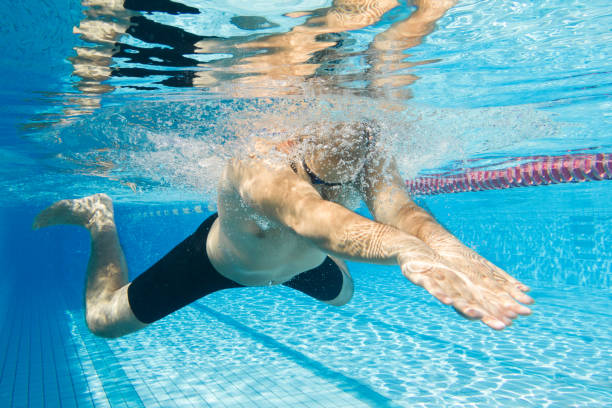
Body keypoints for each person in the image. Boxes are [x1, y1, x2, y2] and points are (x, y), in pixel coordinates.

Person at [33, 121, 533, 338]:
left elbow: (397, 205)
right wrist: (406, 251)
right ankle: (99, 218)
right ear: (300, 137)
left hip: (304, 261)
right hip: (223, 262)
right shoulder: (261, 167)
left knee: (346, 295)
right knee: (102, 322)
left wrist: (450, 249)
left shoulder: (364, 145)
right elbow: (317, 220)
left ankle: (311, 267)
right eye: (326, 177)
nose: (359, 150)